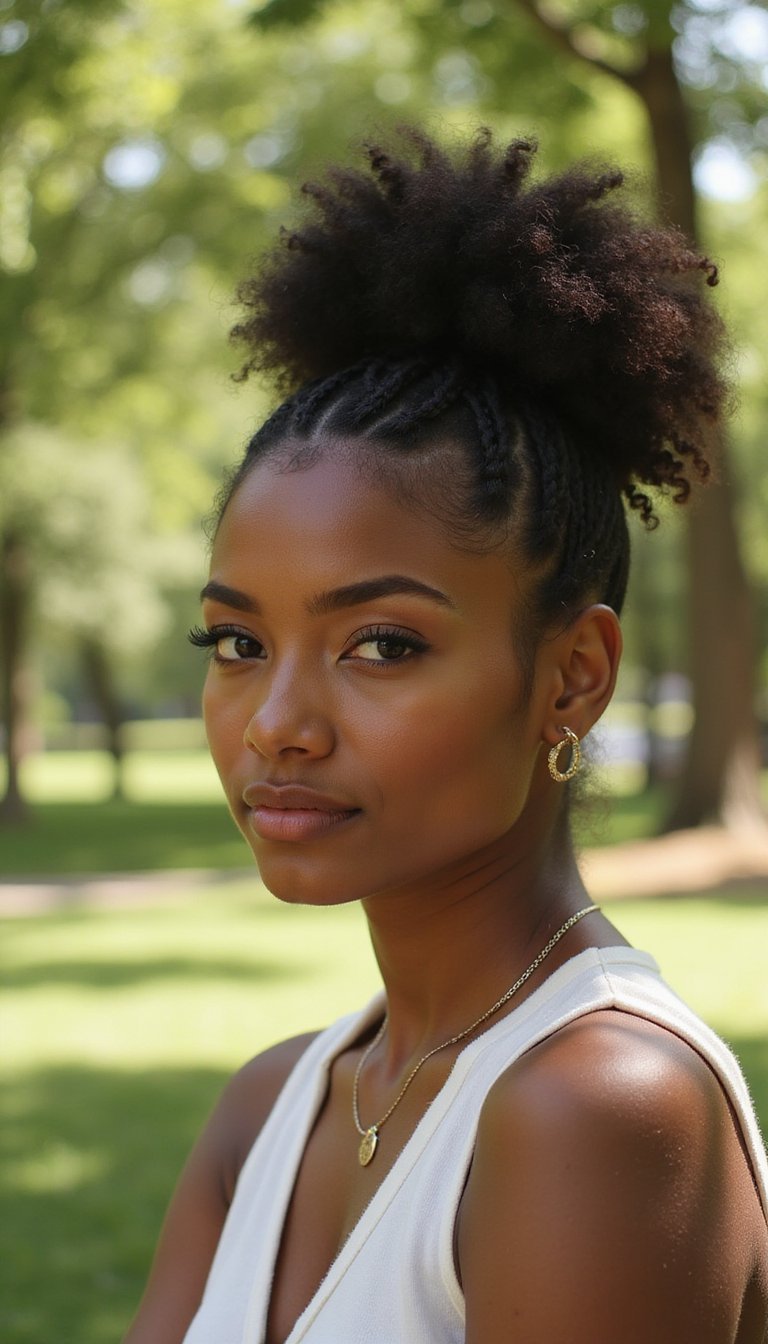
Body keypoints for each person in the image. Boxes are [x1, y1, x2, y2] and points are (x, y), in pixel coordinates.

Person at [124, 128, 768, 1344]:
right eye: (237, 643)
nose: (276, 726)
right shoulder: (270, 1108)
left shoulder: (600, 1110)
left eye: (382, 645)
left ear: (571, 678)